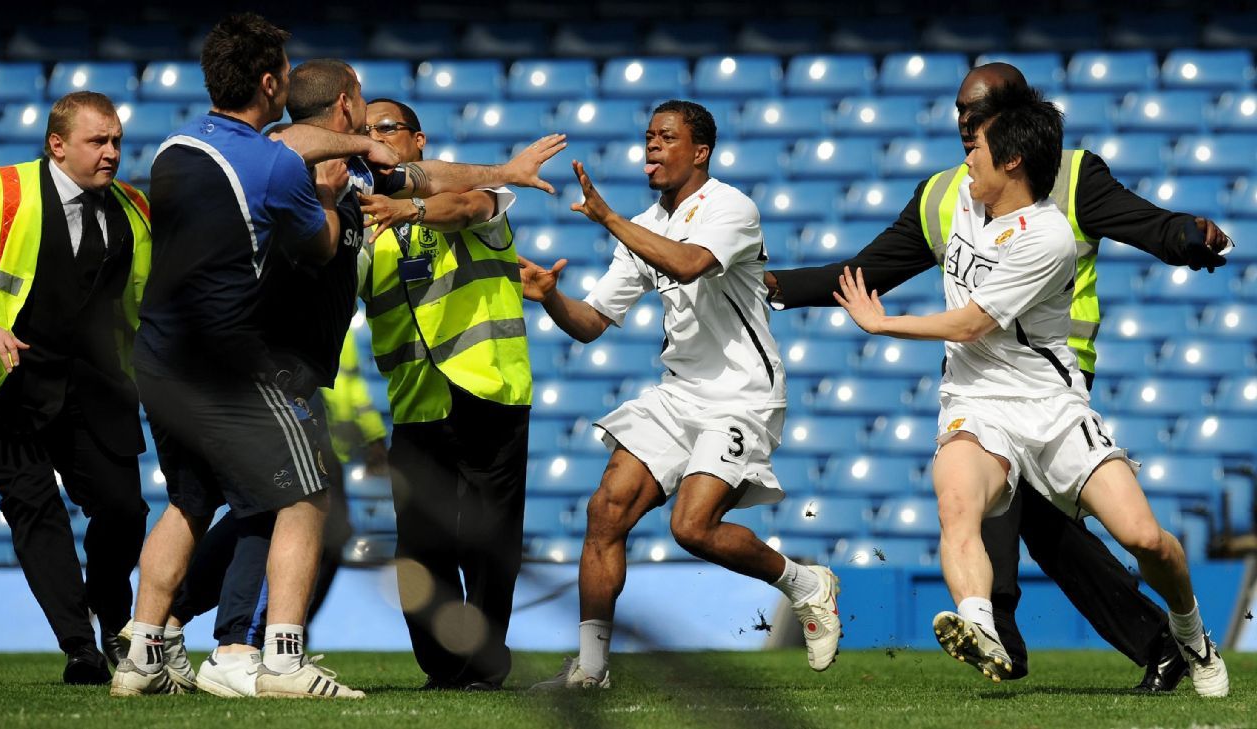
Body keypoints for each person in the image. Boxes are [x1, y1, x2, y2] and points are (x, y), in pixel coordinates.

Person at [112, 15, 565, 699]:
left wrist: (503, 172)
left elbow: (443, 183)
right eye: (366, 114)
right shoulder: (285, 162)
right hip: (255, 364)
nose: (378, 134)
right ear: (342, 100)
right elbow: (321, 235)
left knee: (193, 501)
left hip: (177, 357)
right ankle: (253, 651)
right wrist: (339, 192)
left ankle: (149, 647)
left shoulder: (200, 147)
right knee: (298, 495)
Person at [765, 62, 1233, 691]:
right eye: (958, 109)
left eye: (974, 112)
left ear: (1015, 123)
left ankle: (1172, 638)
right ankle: (994, 631)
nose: (961, 122)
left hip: (1054, 386)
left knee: (1113, 534)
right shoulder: (943, 194)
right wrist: (767, 286)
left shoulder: (1070, 180)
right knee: (978, 503)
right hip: (979, 393)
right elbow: (864, 273)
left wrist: (1185, 236)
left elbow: (1140, 222)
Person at [524, 100, 840, 690]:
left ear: (700, 152)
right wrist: (548, 298)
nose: (652, 147)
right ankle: (590, 670)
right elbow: (592, 322)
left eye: (666, 138)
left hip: (742, 394)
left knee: (692, 527)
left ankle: (804, 583)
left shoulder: (730, 207)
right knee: (605, 511)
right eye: (647, 137)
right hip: (680, 393)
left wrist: (610, 218)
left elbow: (691, 263)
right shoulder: (645, 225)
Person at [0, 91, 151, 685]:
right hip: (5, 386)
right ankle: (81, 649)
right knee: (35, 510)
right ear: (57, 144)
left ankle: (115, 622)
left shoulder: (136, 209)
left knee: (124, 511)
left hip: (97, 387)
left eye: (117, 140)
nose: (112, 152)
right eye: (99, 141)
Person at [355, 97, 529, 691]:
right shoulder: (364, 230)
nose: (375, 139)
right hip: (416, 403)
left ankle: (483, 662)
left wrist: (409, 209)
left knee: (488, 542)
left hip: (488, 389)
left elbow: (466, 204)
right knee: (419, 550)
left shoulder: (479, 200)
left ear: (418, 140)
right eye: (363, 132)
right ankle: (443, 666)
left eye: (386, 129)